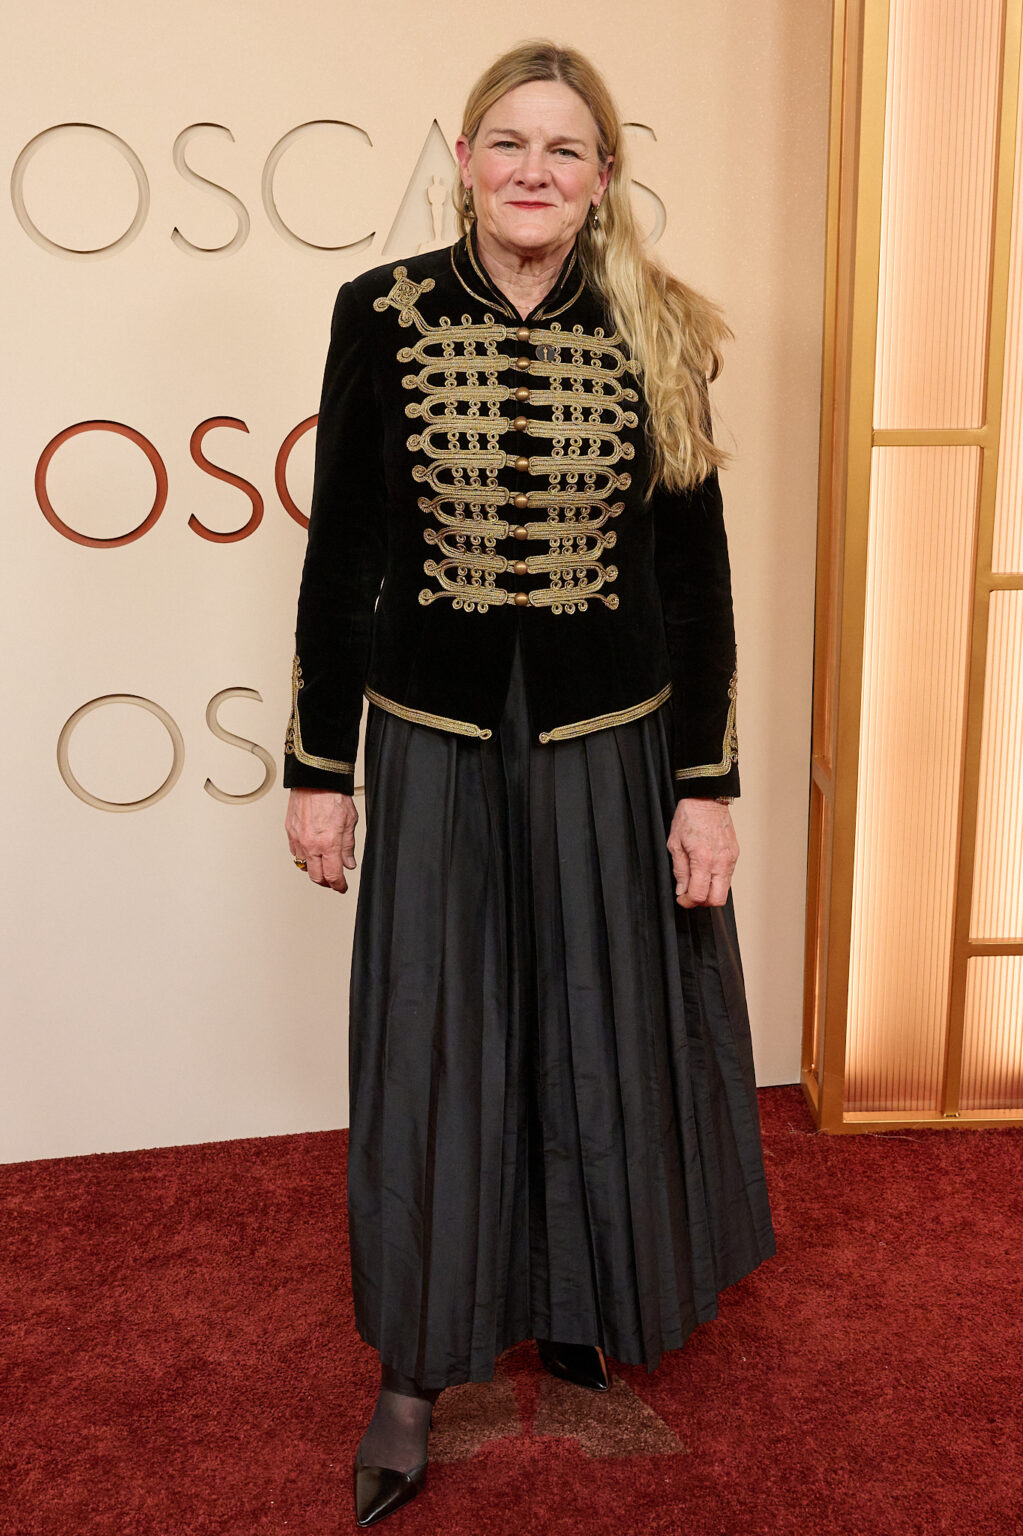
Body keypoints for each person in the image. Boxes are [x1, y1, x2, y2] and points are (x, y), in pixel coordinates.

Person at [283, 40, 776, 1529]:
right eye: (509, 142)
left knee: (592, 1027)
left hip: (608, 737)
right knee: (433, 1038)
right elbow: (344, 555)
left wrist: (707, 784)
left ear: (605, 176)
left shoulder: (663, 329)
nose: (533, 171)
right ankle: (416, 1374)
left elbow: (695, 577)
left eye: (565, 150)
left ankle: (575, 1303)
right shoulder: (378, 311)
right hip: (432, 734)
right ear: (467, 159)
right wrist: (322, 771)